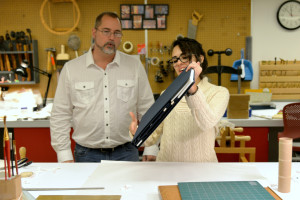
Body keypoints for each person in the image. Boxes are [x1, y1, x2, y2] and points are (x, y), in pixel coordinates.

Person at [50, 12, 158, 163]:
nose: (112, 37)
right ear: (94, 32)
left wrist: (151, 146)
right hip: (86, 155)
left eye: (117, 33)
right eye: (106, 31)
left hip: (127, 151)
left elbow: (147, 109)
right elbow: (60, 115)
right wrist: (64, 154)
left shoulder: (134, 66)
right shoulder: (71, 69)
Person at [129, 37, 229, 162]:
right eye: (175, 59)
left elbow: (206, 123)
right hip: (167, 168)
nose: (179, 63)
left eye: (185, 57)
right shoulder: (167, 94)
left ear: (201, 59)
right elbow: (151, 138)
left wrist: (192, 89)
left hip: (202, 170)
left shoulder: (218, 93)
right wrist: (137, 132)